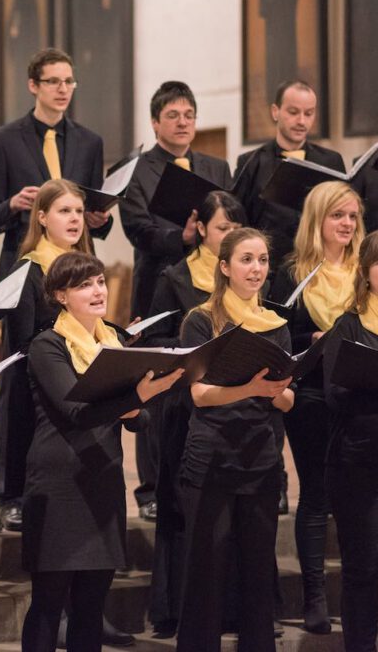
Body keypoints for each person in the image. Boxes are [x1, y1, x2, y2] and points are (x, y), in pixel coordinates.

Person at [21, 251, 183, 651]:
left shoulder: (114, 340)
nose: (97, 291)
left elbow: (137, 420)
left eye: (99, 281)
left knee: (92, 603)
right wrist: (137, 395)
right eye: (83, 285)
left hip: (102, 477)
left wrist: (139, 401)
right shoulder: (47, 345)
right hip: (58, 483)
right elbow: (75, 411)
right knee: (49, 600)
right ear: (61, 296)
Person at [119, 80, 232, 522]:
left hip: (214, 286)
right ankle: (151, 486)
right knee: (158, 386)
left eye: (189, 115)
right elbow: (137, 229)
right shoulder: (139, 169)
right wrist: (180, 237)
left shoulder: (215, 167)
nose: (182, 122)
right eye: (173, 115)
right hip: (160, 284)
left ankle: (207, 470)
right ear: (155, 121)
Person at [177, 228, 295, 651]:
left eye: (263, 260)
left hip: (260, 460)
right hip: (212, 460)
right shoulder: (201, 321)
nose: (257, 269)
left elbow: (288, 400)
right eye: (247, 259)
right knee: (205, 574)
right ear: (224, 267)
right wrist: (251, 389)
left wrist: (275, 392)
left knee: (258, 576)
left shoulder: (276, 323)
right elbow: (199, 395)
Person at [144, 191, 245, 635]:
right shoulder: (174, 276)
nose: (229, 237)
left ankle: (234, 609)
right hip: (187, 405)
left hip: (239, 403)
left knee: (235, 511)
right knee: (185, 509)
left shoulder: (249, 274)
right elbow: (157, 340)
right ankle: (178, 610)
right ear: (201, 228)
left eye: (234, 229)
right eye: (222, 228)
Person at [270, 180, 364, 634]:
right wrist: (315, 340)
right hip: (310, 396)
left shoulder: (367, 270)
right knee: (316, 495)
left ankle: (360, 594)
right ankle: (315, 599)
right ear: (317, 220)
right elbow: (280, 338)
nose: (346, 224)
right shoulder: (292, 273)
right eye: (337, 215)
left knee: (360, 498)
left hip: (360, 397)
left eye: (352, 216)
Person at [0, 178, 91, 532]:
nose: (74, 219)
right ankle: (12, 497)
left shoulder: (85, 266)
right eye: (64, 211)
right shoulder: (28, 269)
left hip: (77, 373)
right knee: (19, 417)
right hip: (35, 373)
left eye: (79, 211)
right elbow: (22, 339)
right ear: (42, 218)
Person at [0, 47, 112, 281]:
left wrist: (100, 220)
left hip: (78, 268)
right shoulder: (3, 141)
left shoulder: (90, 142)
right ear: (33, 85)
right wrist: (12, 204)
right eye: (53, 81)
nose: (63, 89)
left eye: (69, 81)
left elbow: (95, 215)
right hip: (24, 267)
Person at [324, 231, 378, 651]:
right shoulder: (349, 325)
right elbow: (334, 393)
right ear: (366, 271)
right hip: (358, 461)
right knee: (362, 568)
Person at [233, 79, 345, 277]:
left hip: (322, 269)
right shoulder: (251, 162)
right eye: (293, 112)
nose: (302, 121)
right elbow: (240, 224)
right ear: (275, 112)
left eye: (309, 113)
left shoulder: (331, 161)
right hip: (269, 272)